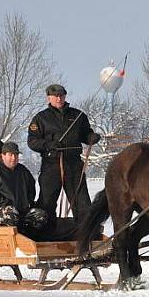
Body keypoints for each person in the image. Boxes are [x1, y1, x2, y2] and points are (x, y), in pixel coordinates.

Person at [27, 84, 100, 224]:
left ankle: (87, 234)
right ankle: (44, 234)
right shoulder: (41, 118)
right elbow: (32, 141)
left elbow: (86, 134)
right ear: (49, 97)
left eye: (61, 95)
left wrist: (91, 138)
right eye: (56, 96)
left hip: (74, 164)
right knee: (47, 202)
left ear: (65, 96)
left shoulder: (78, 115)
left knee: (82, 201)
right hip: (51, 165)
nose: (59, 98)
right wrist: (48, 145)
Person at [0, 141, 48, 232]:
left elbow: (31, 189)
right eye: (11, 155)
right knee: (11, 214)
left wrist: (28, 203)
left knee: (40, 216)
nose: (14, 158)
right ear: (3, 156)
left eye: (16, 155)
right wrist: (6, 203)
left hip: (21, 209)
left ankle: (32, 240)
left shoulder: (23, 171)